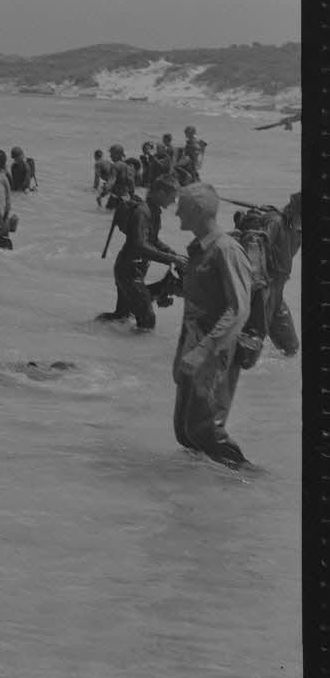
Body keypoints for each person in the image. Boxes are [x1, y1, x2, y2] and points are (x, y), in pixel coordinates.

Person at [171, 183, 253, 465]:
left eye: (181, 207)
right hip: (193, 348)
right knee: (185, 432)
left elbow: (239, 309)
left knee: (206, 432)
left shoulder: (226, 249)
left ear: (198, 210)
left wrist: (203, 351)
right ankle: (199, 485)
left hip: (215, 352)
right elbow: (194, 308)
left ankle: (250, 481)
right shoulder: (199, 249)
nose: (177, 213)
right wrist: (182, 353)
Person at [96, 175, 182, 331]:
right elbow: (139, 245)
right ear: (161, 193)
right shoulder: (142, 212)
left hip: (132, 269)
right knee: (147, 321)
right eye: (172, 197)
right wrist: (170, 259)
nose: (174, 201)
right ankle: (130, 348)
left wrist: (173, 254)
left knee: (121, 316)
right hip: (128, 271)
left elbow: (153, 241)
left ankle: (92, 330)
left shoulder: (154, 212)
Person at [256, 192, 301, 356]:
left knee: (291, 347)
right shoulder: (274, 222)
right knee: (249, 347)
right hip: (263, 291)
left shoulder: (297, 229)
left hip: (277, 294)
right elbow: (256, 251)